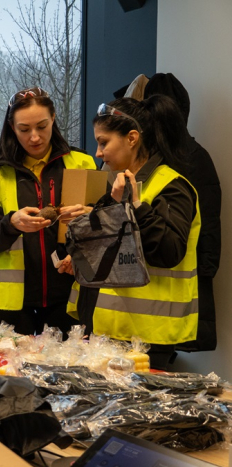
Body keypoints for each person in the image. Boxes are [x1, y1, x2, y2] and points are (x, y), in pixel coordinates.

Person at [67, 95, 199, 370]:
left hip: (147, 337)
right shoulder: (116, 186)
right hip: (106, 329)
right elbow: (120, 250)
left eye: (104, 142)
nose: (98, 153)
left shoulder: (172, 186)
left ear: (132, 138)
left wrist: (136, 206)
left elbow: (169, 251)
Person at [0, 87, 96, 336]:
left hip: (68, 299)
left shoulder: (82, 163)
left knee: (67, 374)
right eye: (24, 129)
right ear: (12, 127)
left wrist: (90, 215)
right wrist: (11, 223)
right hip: (11, 304)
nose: (34, 137)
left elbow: (104, 234)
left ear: (53, 118)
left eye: (42, 126)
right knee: (9, 373)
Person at [142, 73, 221, 353]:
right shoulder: (195, 156)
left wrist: (204, 275)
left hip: (171, 281)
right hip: (161, 284)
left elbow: (207, 226)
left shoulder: (183, 159)